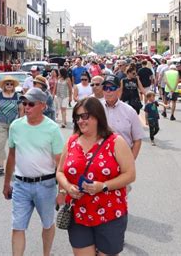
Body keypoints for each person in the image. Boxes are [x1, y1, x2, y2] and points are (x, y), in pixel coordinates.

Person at [56, 97, 136, 255]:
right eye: (77, 117)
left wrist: (103, 186)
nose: (80, 121)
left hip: (110, 214)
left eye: (84, 116)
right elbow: (59, 171)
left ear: (97, 116)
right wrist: (67, 187)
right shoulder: (72, 141)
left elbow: (130, 175)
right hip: (78, 213)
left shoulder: (115, 142)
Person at [3, 88, 65, 256]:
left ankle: (46, 253)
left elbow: (60, 162)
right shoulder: (16, 126)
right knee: (17, 226)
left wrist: (62, 191)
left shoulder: (52, 129)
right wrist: (7, 183)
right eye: (24, 104)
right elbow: (12, 156)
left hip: (46, 185)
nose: (26, 107)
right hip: (21, 185)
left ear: (43, 106)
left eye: (31, 104)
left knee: (47, 224)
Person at [101, 75, 145, 159]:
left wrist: (131, 161)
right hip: (100, 158)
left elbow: (137, 139)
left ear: (118, 90)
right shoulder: (96, 108)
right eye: (105, 88)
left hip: (123, 157)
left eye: (112, 88)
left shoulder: (129, 111)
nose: (108, 91)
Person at [0, 75, 23, 177]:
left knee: (13, 145)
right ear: (4, 85)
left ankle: (14, 166)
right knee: (0, 144)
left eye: (11, 84)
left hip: (14, 125)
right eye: (7, 84)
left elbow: (21, 109)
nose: (9, 85)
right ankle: (1, 166)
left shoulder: (17, 96)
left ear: (14, 86)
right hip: (0, 124)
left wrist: (20, 121)